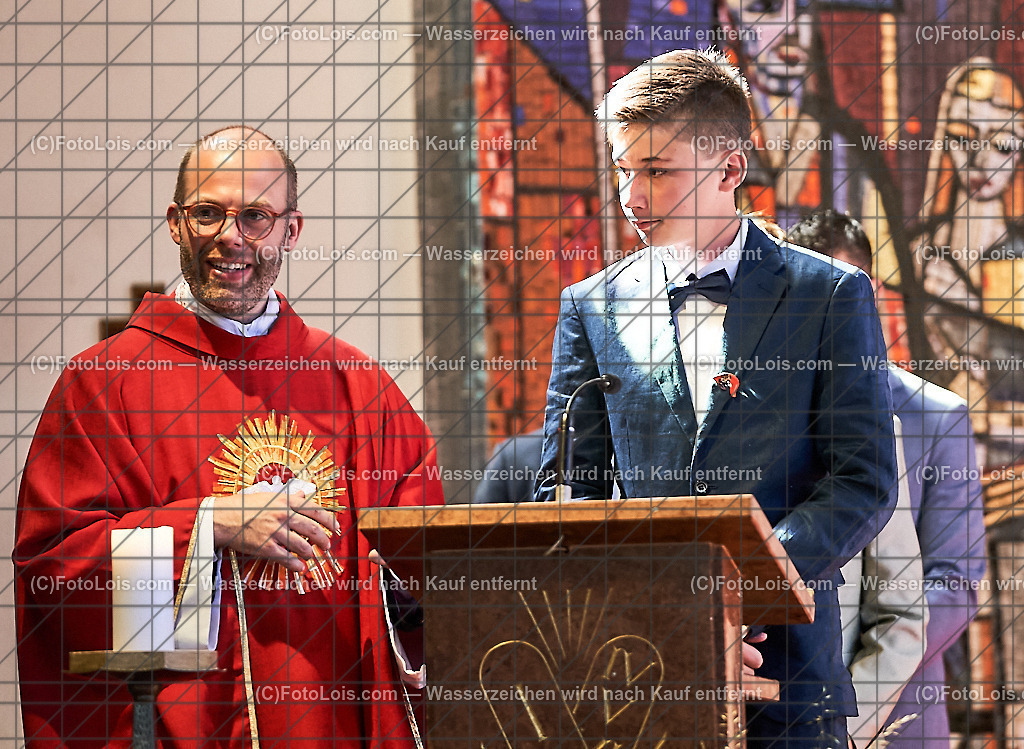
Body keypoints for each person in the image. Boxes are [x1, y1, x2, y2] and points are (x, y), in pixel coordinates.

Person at [14, 126, 444, 747]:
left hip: (330, 723)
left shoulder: (358, 388)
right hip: (183, 726)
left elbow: (430, 558)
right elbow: (55, 570)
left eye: (256, 216)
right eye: (209, 212)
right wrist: (208, 528)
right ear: (176, 223)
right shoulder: (103, 384)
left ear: (291, 231)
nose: (230, 237)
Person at [536, 48, 898, 747]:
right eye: (622, 169)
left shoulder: (830, 295)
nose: (632, 197)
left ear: (729, 168)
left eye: (657, 172)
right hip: (638, 671)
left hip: (788, 681)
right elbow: (567, 488)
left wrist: (734, 593)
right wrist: (664, 610)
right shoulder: (590, 306)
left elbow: (864, 478)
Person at [789, 209, 987, 748]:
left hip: (898, 716)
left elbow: (955, 580)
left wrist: (855, 698)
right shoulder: (770, 409)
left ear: (872, 292)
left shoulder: (934, 415)